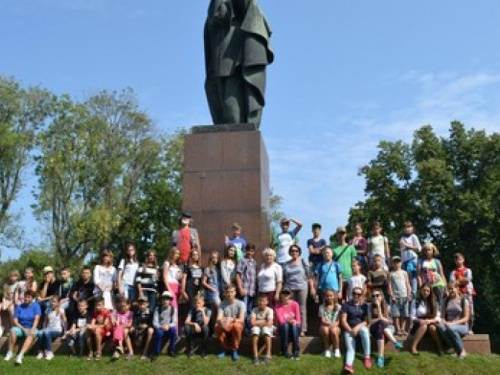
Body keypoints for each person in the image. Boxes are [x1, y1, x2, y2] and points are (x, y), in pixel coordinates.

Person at [204, 0, 274, 129]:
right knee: (220, 106)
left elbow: (234, 10)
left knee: (232, 112)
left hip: (236, 61)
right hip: (220, 60)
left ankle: (235, 140)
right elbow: (216, 17)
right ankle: (231, 140)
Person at [282, 244, 314, 335]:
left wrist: (312, 288)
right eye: (292, 250)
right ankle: (291, 328)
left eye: (296, 251)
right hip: (289, 288)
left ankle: (302, 329)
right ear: (289, 252)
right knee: (289, 309)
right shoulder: (286, 264)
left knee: (302, 308)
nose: (294, 252)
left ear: (299, 252)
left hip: (302, 287)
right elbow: (284, 278)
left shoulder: (303, 262)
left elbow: (309, 276)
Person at [4, 290, 41, 365]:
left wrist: (32, 329)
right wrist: (23, 329)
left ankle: (20, 355)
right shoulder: (19, 307)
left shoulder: (36, 306)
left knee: (31, 334)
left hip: (31, 327)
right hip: (21, 327)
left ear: (32, 298)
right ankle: (10, 352)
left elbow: (37, 319)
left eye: (28, 297)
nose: (26, 299)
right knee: (12, 331)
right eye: (25, 297)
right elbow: (15, 321)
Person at [369, 289, 403, 368]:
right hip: (374, 328)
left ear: (381, 296)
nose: (375, 298)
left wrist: (381, 318)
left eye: (377, 295)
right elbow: (370, 321)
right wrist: (378, 307)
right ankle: (395, 343)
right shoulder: (369, 307)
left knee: (380, 326)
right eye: (373, 296)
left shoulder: (387, 307)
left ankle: (380, 357)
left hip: (388, 328)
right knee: (380, 323)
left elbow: (390, 322)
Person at [340, 286, 371, 374]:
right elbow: (343, 320)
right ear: (351, 294)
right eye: (354, 293)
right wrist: (350, 330)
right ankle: (348, 365)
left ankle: (367, 357)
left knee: (364, 331)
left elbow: (366, 321)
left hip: (361, 328)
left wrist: (357, 328)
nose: (356, 295)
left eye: (359, 294)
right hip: (349, 329)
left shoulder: (364, 306)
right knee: (350, 349)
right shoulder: (346, 305)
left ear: (361, 295)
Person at [437, 282, 470, 359]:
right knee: (439, 326)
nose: (450, 291)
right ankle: (454, 348)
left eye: (452, 289)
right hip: (449, 325)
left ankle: (462, 351)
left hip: (462, 326)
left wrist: (453, 323)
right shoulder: (446, 300)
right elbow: (442, 316)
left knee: (451, 328)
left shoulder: (463, 300)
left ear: (457, 288)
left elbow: (466, 318)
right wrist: (444, 321)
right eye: (449, 289)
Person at [409, 283, 444, 356]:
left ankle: (440, 348)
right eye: (424, 290)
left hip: (431, 322)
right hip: (419, 323)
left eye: (428, 291)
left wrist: (430, 321)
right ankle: (413, 347)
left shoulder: (434, 302)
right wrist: (420, 321)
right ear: (421, 290)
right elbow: (412, 317)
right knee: (424, 326)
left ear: (430, 292)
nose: (426, 292)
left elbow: (438, 317)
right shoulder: (415, 301)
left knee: (432, 327)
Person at [215, 284, 246, 361]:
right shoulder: (222, 304)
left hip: (235, 323)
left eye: (232, 292)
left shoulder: (241, 304)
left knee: (237, 326)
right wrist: (223, 321)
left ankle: (234, 349)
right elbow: (218, 318)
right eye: (228, 292)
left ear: (235, 292)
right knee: (217, 326)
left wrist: (231, 320)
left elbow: (241, 319)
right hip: (226, 324)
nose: (230, 294)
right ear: (225, 293)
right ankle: (224, 348)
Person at [449, 252, 475, 332]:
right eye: (456, 260)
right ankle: (462, 327)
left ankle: (470, 328)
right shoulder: (453, 272)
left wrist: (457, 282)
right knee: (460, 312)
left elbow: (467, 280)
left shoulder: (467, 270)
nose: (458, 262)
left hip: (467, 293)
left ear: (463, 260)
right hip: (458, 295)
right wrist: (461, 281)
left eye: (459, 259)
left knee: (470, 312)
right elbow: (452, 282)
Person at [235, 243, 257, 333]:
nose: (250, 253)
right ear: (245, 251)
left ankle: (248, 327)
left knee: (250, 310)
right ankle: (243, 328)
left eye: (252, 251)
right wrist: (240, 288)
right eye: (248, 250)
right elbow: (238, 275)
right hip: (244, 290)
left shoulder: (254, 262)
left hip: (252, 291)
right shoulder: (242, 261)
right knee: (243, 311)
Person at [36, 295, 66, 360]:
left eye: (54, 302)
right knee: (40, 333)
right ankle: (41, 351)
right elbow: (45, 322)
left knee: (46, 332)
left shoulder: (61, 310)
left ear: (58, 303)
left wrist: (65, 333)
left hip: (57, 331)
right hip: (48, 329)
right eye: (51, 301)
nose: (52, 303)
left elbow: (65, 322)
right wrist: (43, 329)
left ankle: (49, 352)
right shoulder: (48, 310)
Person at [417, 242, 446, 310]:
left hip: (438, 284)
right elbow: (418, 275)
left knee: (440, 303)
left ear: (433, 250)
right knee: (429, 303)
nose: (428, 252)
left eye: (429, 250)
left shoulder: (437, 261)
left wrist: (445, 287)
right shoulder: (420, 262)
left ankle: (440, 318)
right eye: (426, 250)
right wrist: (421, 286)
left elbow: (442, 274)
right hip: (427, 286)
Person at [332, 227, 358, 301]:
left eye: (343, 233)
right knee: (337, 300)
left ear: (346, 234)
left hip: (349, 276)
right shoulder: (332, 247)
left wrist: (354, 274)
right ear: (336, 235)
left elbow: (354, 262)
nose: (341, 235)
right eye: (339, 233)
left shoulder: (351, 247)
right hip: (336, 277)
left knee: (349, 299)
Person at [151, 291, 178, 361]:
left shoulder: (173, 309)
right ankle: (156, 352)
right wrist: (160, 327)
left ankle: (171, 350)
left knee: (173, 331)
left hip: (168, 327)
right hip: (160, 327)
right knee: (159, 334)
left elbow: (174, 321)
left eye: (167, 299)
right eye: (163, 299)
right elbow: (154, 322)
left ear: (170, 301)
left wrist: (168, 326)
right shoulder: (158, 308)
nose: (165, 301)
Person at [275, 288, 301, 360]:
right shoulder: (277, 306)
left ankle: (295, 351)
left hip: (294, 327)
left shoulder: (295, 304)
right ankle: (284, 351)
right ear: (281, 295)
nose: (285, 295)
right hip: (284, 328)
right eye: (284, 293)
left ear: (290, 295)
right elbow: (281, 320)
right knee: (286, 326)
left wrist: (294, 322)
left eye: (287, 293)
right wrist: (289, 321)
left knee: (294, 326)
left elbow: (298, 320)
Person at [389, 256, 411, 335]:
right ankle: (398, 329)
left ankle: (403, 328)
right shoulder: (391, 274)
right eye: (394, 262)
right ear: (392, 264)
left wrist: (409, 294)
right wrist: (392, 295)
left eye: (398, 262)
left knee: (405, 314)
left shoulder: (404, 273)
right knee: (396, 314)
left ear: (401, 263)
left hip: (404, 296)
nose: (396, 264)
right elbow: (390, 285)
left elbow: (407, 283)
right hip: (396, 296)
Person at [250, 293, 273, 365]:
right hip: (257, 327)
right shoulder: (254, 310)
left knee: (266, 330)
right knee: (255, 331)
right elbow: (252, 323)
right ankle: (255, 355)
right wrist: (264, 321)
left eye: (263, 301)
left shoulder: (270, 310)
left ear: (267, 302)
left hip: (267, 328)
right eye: (259, 300)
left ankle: (268, 354)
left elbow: (269, 323)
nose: (261, 302)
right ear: (257, 301)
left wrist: (257, 322)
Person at [399, 221, 421, 298]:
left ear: (412, 228)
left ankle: (414, 292)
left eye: (409, 227)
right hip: (404, 260)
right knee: (406, 276)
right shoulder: (402, 238)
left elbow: (419, 248)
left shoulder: (413, 237)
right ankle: (408, 291)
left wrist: (408, 246)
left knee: (412, 274)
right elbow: (401, 250)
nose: (407, 229)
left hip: (412, 259)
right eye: (406, 227)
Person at [202, 250, 221, 333]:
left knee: (214, 312)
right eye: (213, 258)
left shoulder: (218, 269)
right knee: (220, 307)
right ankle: (217, 328)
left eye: (216, 258)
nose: (214, 260)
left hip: (219, 291)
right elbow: (203, 282)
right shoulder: (208, 269)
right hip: (212, 292)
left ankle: (213, 330)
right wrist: (211, 288)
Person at [86, 296, 111, 361]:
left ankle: (99, 352)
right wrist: (90, 326)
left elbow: (104, 325)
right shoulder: (95, 313)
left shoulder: (107, 312)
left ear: (103, 305)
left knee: (97, 330)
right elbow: (92, 323)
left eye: (99, 305)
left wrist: (94, 326)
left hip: (106, 331)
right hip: (99, 328)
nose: (97, 307)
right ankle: (91, 351)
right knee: (88, 329)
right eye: (96, 305)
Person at [318, 289, 341, 358]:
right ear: (325, 297)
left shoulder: (339, 307)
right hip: (325, 325)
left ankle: (337, 350)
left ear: (334, 296)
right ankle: (327, 350)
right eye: (327, 296)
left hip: (335, 325)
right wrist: (329, 325)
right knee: (325, 330)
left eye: (331, 296)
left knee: (334, 330)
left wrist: (333, 325)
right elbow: (322, 320)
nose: (329, 297)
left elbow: (338, 320)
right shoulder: (322, 307)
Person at [132, 296, 154, 360]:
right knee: (138, 343)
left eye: (143, 304)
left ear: (147, 304)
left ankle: (145, 352)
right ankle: (131, 351)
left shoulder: (151, 312)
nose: (142, 306)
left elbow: (153, 322)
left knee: (150, 330)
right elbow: (134, 321)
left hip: (148, 329)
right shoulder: (136, 312)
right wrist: (134, 326)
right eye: (140, 304)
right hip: (139, 330)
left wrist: (147, 325)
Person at [162, 247, 183, 314]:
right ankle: (175, 324)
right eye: (176, 253)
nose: (177, 255)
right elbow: (165, 277)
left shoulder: (177, 266)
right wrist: (169, 289)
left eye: (178, 254)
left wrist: (180, 276)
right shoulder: (167, 263)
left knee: (177, 307)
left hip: (177, 287)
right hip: (170, 286)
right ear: (172, 253)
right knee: (174, 306)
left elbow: (179, 278)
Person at [0, 269, 19, 336]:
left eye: (14, 276)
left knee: (11, 309)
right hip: (7, 300)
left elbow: (16, 298)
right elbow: (4, 296)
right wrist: (3, 304)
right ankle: (1, 326)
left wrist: (9, 305)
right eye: (11, 276)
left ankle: (12, 327)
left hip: (14, 301)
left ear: (17, 276)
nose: (12, 277)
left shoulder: (18, 284)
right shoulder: (6, 285)